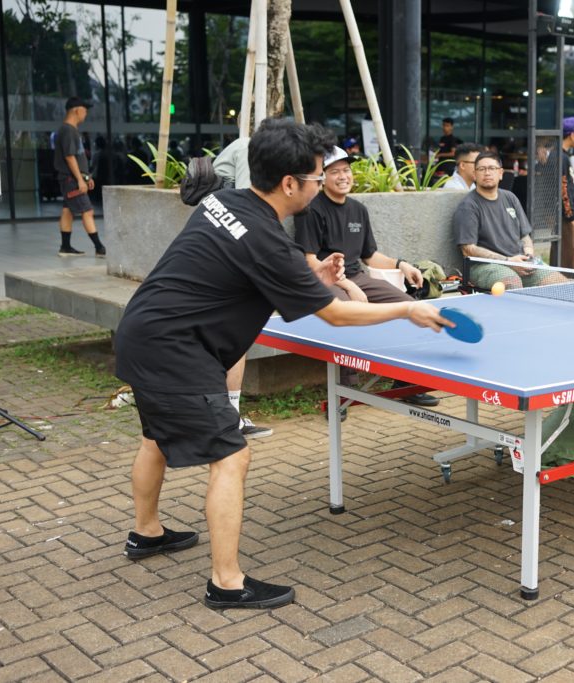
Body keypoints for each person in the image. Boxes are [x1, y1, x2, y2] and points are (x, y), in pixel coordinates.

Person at [113, 119, 451, 610]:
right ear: (290, 183)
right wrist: (406, 309)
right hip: (176, 350)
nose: (319, 184)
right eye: (316, 177)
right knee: (232, 456)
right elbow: (335, 314)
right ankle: (226, 583)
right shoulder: (266, 239)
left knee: (155, 437)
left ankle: (146, 533)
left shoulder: (225, 202)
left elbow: (250, 261)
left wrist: (313, 274)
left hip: (143, 331)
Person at [295, 146, 440, 407]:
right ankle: (343, 393)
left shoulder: (358, 209)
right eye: (335, 171)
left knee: (408, 307)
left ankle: (405, 384)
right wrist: (348, 286)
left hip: (357, 276)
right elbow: (309, 260)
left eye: (346, 170)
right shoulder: (311, 209)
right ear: (322, 177)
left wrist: (402, 265)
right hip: (325, 280)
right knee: (347, 311)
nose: (343, 176)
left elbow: (369, 256)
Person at [210, 136, 272, 438]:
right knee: (236, 334)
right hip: (226, 254)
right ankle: (228, 418)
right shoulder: (250, 149)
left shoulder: (249, 148)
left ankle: (224, 414)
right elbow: (250, 210)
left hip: (218, 246)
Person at [455, 151, 568, 290]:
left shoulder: (510, 198)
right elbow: (468, 249)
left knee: (561, 284)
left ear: (500, 173)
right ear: (475, 174)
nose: (487, 173)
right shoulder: (468, 206)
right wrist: (508, 261)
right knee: (512, 284)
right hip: (484, 265)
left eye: (492, 168)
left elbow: (525, 235)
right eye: (482, 169)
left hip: (518, 261)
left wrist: (528, 254)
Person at [53, 97, 106, 257]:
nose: (86, 114)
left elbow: (77, 157)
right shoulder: (68, 130)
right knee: (87, 211)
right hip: (71, 180)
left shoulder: (69, 130)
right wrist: (80, 180)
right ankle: (99, 248)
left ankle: (65, 247)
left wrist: (86, 176)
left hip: (71, 178)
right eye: (85, 110)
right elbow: (70, 157)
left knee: (67, 211)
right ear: (76, 110)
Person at [548, 116, 574, 271]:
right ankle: (562, 282)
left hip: (569, 214)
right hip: (564, 216)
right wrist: (572, 216)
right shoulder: (560, 156)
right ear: (572, 134)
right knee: (565, 255)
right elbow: (562, 188)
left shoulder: (561, 155)